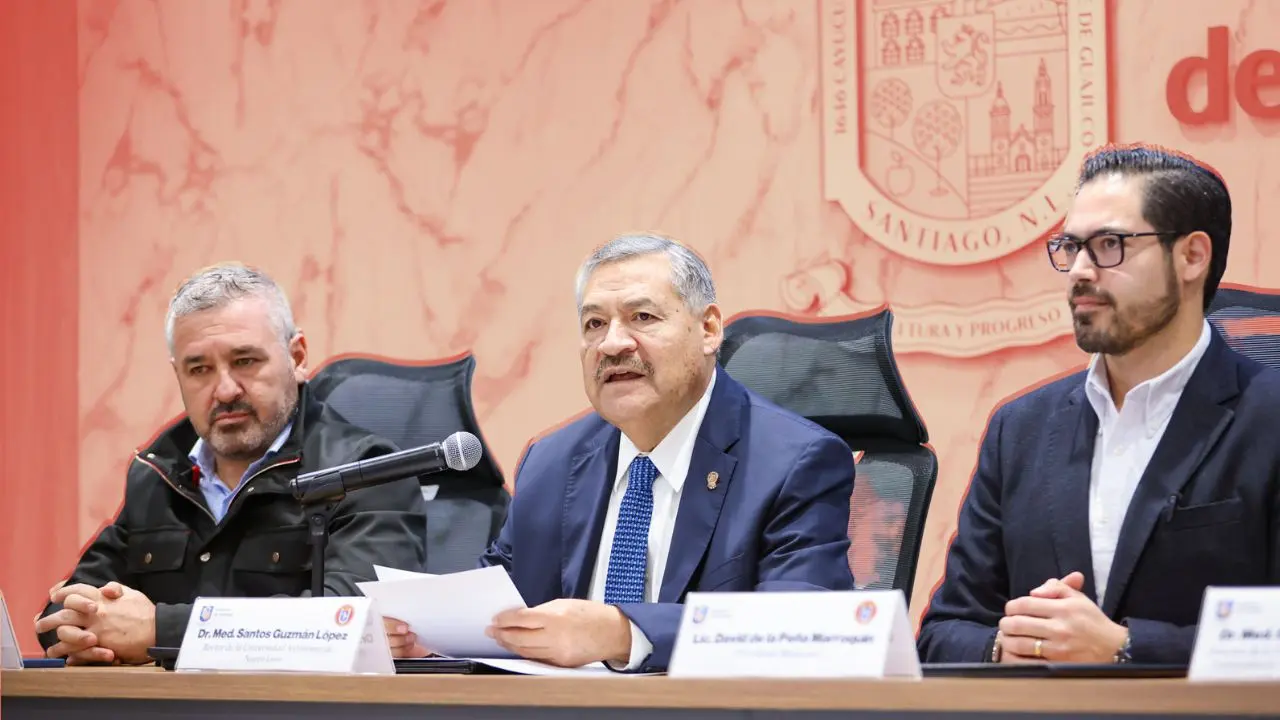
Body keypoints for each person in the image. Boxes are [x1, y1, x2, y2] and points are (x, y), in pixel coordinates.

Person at [385, 233, 857, 671]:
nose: (612, 343)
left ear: (709, 329)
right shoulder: (552, 461)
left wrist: (624, 633)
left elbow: (800, 627)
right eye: (594, 324)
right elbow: (502, 602)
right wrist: (433, 636)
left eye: (642, 317)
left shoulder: (794, 462)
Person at [918, 144, 1280, 665]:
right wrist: (1006, 647)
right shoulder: (1019, 429)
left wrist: (1126, 648)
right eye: (1071, 247)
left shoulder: (1265, 417)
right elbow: (945, 631)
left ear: (1192, 257)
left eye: (1109, 245)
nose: (1079, 272)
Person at [35, 263, 428, 665]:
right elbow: (64, 613)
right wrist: (77, 629)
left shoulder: (366, 470)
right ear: (178, 375)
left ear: (297, 357)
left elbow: (357, 625)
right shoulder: (159, 473)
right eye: (199, 369)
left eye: (245, 361)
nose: (224, 390)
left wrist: (160, 631)